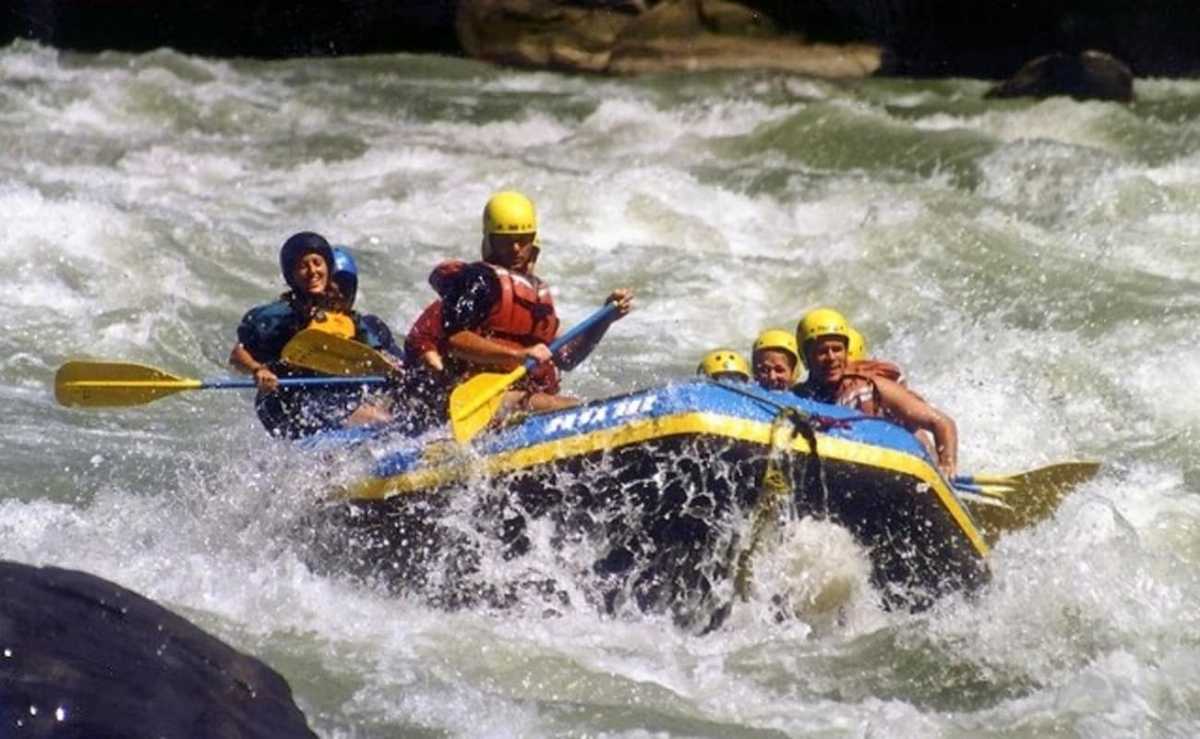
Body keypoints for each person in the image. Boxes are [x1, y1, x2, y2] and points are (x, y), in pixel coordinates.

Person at [430, 190, 633, 416]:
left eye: (523, 240)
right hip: (478, 395)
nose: (516, 248)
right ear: (489, 240)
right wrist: (518, 356)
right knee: (568, 406)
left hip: (523, 396)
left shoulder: (536, 296)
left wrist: (604, 320)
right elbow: (455, 340)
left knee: (565, 404)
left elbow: (566, 358)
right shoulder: (478, 280)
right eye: (505, 241)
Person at [229, 233, 400, 438]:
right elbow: (237, 355)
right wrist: (258, 370)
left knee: (391, 422)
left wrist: (394, 369)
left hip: (334, 399)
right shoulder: (276, 316)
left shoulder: (346, 317)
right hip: (286, 403)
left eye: (317, 263)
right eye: (303, 266)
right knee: (374, 424)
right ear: (291, 276)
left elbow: (376, 354)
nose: (312, 272)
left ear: (328, 267)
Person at [792, 307, 958, 479]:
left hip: (905, 469)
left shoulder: (872, 387)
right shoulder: (799, 396)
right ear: (806, 357)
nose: (832, 357)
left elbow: (942, 423)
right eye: (822, 352)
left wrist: (947, 465)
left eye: (837, 349)